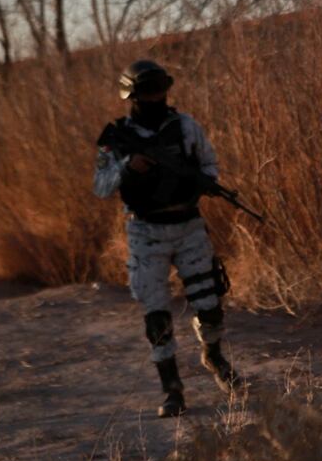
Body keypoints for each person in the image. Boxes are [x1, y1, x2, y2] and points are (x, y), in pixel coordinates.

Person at [93, 59, 241, 418]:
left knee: (208, 300)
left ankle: (216, 357)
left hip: (188, 224)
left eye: (160, 89)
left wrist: (200, 182)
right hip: (145, 230)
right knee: (156, 310)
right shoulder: (116, 137)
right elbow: (100, 186)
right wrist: (128, 168)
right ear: (132, 95)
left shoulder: (185, 126)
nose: (156, 97)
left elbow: (209, 165)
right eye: (147, 91)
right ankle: (172, 389)